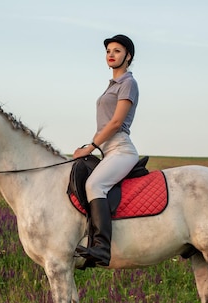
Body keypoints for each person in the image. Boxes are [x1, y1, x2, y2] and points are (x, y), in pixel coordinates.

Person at [73, 34, 140, 268]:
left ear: (128, 56)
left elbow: (114, 123)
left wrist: (90, 146)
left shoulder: (128, 83)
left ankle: (101, 248)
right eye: (108, 51)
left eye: (117, 51)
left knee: (94, 185)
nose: (111, 54)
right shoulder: (112, 86)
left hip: (121, 148)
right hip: (109, 150)